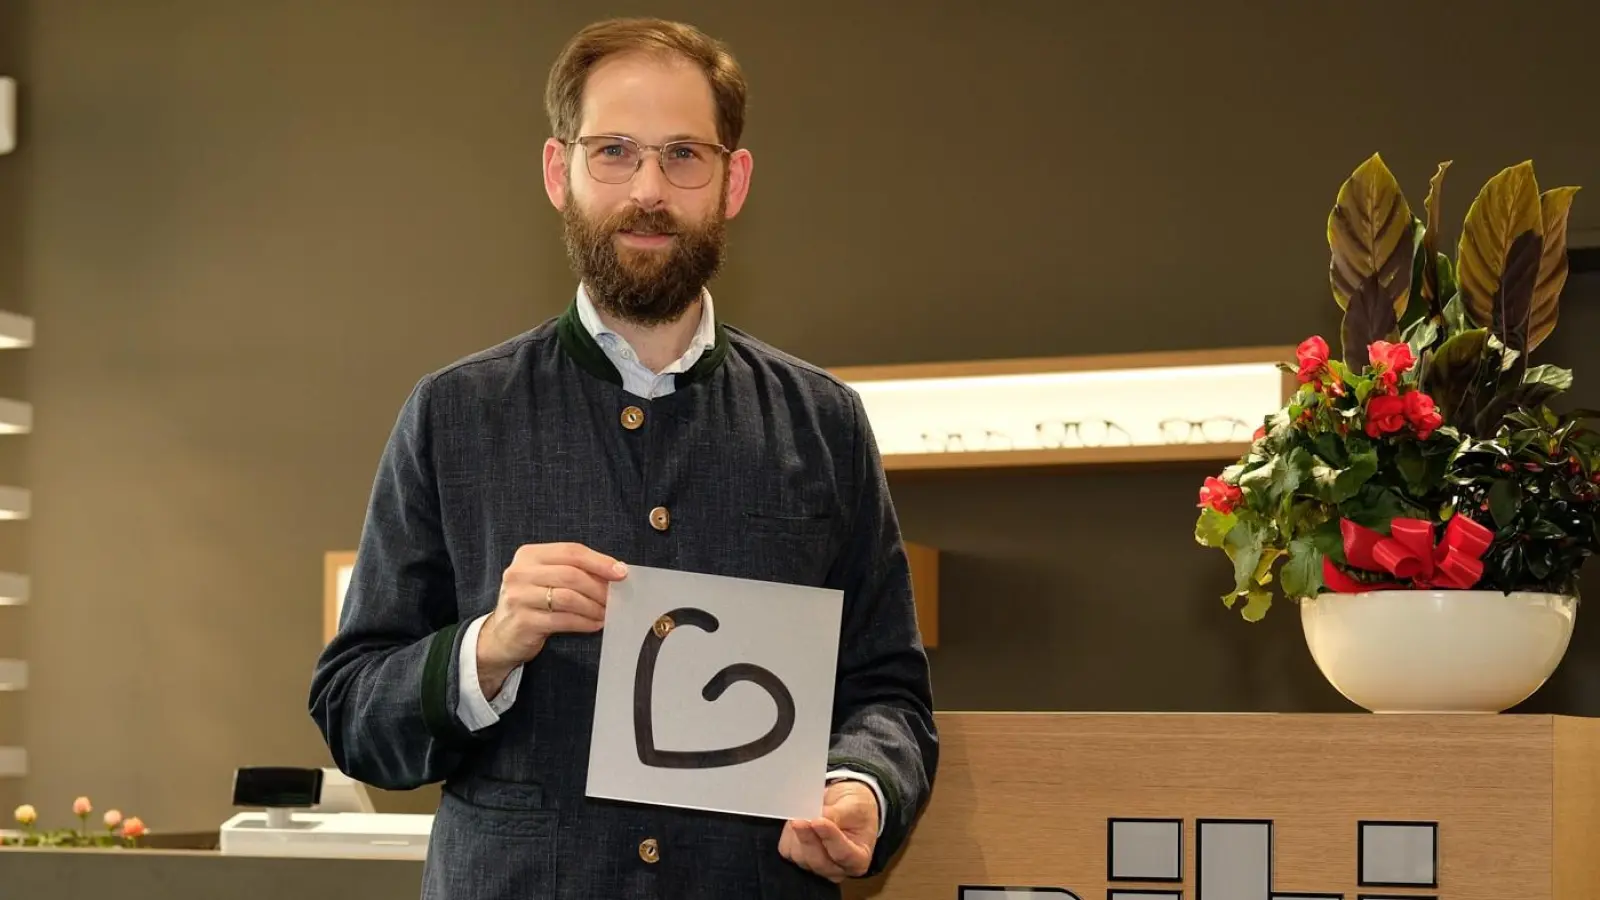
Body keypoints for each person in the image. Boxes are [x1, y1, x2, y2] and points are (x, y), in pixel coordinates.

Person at [307, 16, 939, 900]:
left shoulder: (822, 423)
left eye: (685, 154)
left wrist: (864, 788)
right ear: (558, 172)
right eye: (615, 152)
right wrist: (486, 649)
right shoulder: (455, 414)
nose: (649, 188)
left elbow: (889, 694)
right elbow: (351, 706)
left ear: (734, 181)